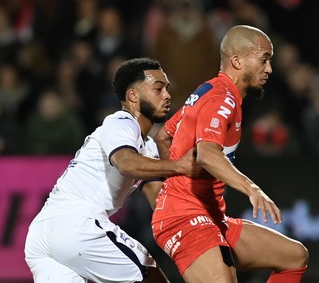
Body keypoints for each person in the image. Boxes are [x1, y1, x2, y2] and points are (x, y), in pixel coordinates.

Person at [152, 25, 309, 283]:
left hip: (211, 217)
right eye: (264, 59)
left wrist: (177, 179)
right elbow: (207, 154)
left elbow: (164, 136)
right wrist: (252, 189)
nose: (269, 69)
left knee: (294, 256)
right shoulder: (222, 99)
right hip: (185, 219)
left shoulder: (209, 92)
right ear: (237, 61)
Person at [24, 58, 201, 283]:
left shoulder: (146, 148)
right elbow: (126, 162)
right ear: (133, 96)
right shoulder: (121, 122)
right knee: (150, 274)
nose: (167, 95)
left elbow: (158, 200)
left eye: (167, 89)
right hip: (78, 224)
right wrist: (180, 166)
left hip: (43, 234)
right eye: (158, 88)